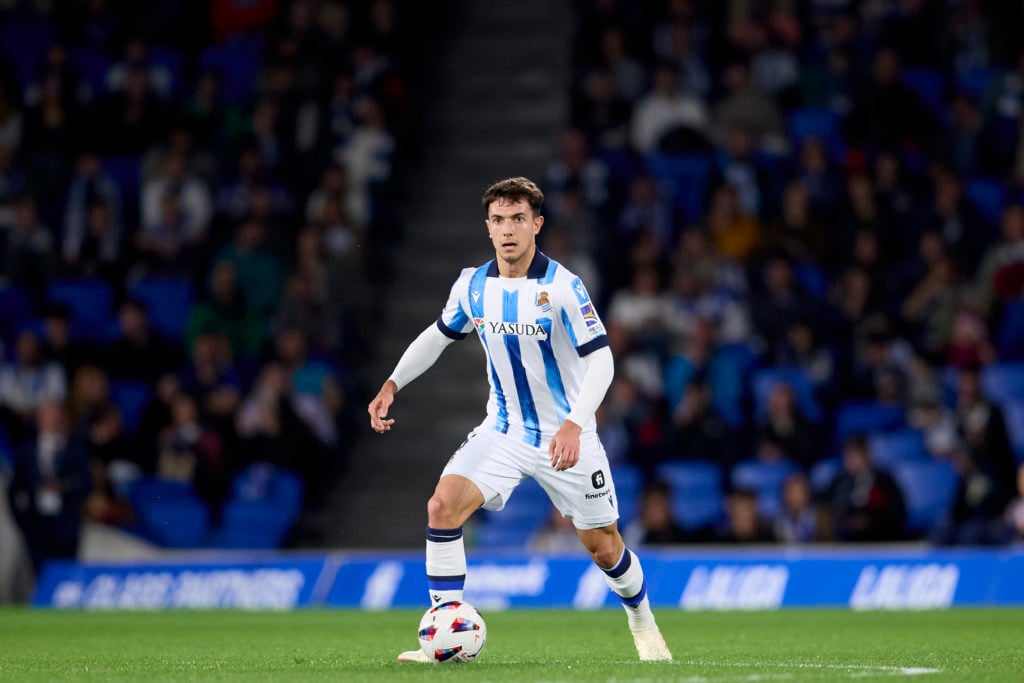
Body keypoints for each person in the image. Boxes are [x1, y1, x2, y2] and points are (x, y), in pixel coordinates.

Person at [368, 177, 672, 663]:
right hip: (503, 430)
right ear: (487, 228)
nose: (508, 229)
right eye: (498, 220)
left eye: (517, 219)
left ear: (537, 225)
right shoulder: (472, 284)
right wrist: (392, 383)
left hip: (566, 436)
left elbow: (603, 360)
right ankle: (445, 638)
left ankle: (642, 619)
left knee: (604, 548)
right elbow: (439, 335)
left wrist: (575, 423)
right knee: (441, 508)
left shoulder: (563, 288)